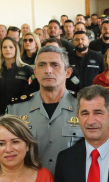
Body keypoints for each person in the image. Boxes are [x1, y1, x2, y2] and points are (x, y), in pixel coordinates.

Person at [6, 46, 83, 174]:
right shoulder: (16, 108)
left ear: (68, 72)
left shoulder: (83, 107)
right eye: (42, 65)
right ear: (35, 72)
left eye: (55, 65)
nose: (48, 70)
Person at [0, 37, 38, 122]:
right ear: (1, 50)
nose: (7, 49)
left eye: (11, 47)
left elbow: (33, 94)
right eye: (4, 47)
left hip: (21, 115)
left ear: (16, 49)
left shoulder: (27, 70)